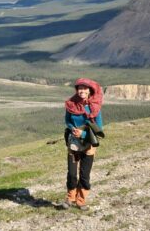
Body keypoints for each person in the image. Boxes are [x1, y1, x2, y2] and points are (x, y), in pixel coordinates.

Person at [62, 78, 104, 210]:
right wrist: (72, 128)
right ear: (77, 90)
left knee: (85, 175)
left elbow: (99, 128)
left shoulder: (94, 107)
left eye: (85, 88)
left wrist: (84, 135)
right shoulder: (71, 104)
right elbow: (67, 120)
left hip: (88, 145)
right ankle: (70, 198)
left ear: (90, 91)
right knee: (72, 173)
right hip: (73, 143)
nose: (82, 91)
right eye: (80, 88)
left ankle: (81, 200)